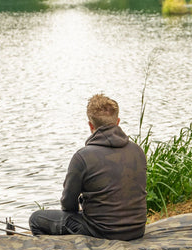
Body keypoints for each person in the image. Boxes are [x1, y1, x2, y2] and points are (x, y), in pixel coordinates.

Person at [29, 94, 147, 241]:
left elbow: (67, 204)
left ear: (91, 126)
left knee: (36, 218)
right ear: (117, 122)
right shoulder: (137, 151)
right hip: (137, 230)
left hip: (101, 232)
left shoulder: (82, 157)